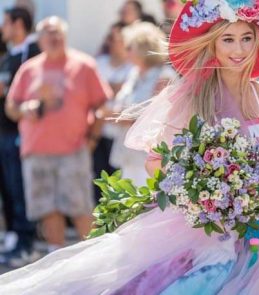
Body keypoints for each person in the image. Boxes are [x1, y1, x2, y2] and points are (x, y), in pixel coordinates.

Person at [0, 1, 259, 293]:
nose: (238, 49)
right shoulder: (196, 94)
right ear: (213, 44)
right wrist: (206, 192)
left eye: (246, 38)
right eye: (228, 39)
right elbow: (157, 161)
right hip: (206, 232)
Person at [4, 16, 112, 255]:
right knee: (46, 208)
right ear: (39, 39)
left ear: (65, 36)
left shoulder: (84, 65)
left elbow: (102, 106)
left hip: (73, 150)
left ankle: (92, 258)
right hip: (36, 151)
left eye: (58, 33)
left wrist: (92, 139)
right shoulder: (29, 68)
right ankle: (56, 257)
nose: (54, 38)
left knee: (80, 207)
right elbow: (11, 107)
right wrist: (24, 109)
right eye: (48, 34)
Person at [109, 22, 174, 186]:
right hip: (128, 151)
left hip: (149, 155)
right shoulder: (133, 73)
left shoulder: (164, 76)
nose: (126, 50)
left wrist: (122, 117)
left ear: (142, 48)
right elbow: (120, 105)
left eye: (130, 46)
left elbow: (159, 115)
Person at [0, 6, 39, 267]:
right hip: (3, 132)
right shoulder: (6, 58)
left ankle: (27, 241)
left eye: (6, 22)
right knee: (8, 188)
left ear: (18, 25)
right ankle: (14, 236)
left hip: (21, 134)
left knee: (20, 188)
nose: (2, 28)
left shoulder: (32, 53)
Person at [93, 21, 133, 201]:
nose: (115, 43)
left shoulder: (134, 67)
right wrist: (111, 88)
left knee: (122, 185)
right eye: (112, 38)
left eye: (120, 39)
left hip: (123, 137)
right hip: (99, 133)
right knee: (99, 182)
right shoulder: (98, 63)